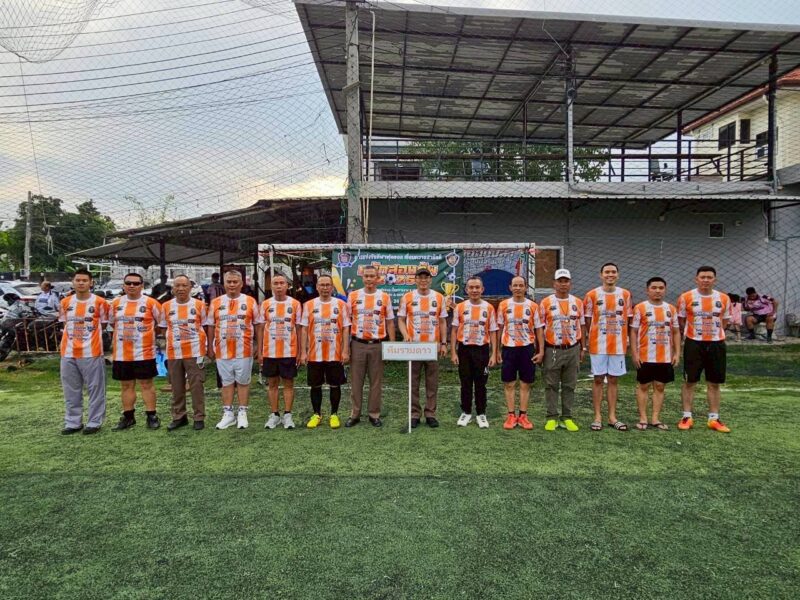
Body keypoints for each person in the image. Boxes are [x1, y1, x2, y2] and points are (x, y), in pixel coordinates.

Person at [677, 266, 731, 433]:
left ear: (715, 280)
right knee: (690, 381)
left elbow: (724, 321)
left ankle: (713, 418)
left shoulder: (724, 298)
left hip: (716, 343)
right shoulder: (686, 297)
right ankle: (687, 416)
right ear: (696, 279)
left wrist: (714, 333)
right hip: (694, 343)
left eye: (709, 277)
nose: (706, 280)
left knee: (714, 382)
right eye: (703, 277)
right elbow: (681, 320)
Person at [206, 270, 263, 430]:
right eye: (229, 282)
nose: (232, 285)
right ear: (224, 284)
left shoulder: (250, 301)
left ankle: (242, 413)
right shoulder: (216, 302)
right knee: (227, 382)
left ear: (241, 283)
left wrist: (259, 347)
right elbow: (210, 326)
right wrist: (209, 346)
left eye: (235, 282)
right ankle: (228, 414)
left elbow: (258, 325)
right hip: (222, 350)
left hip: (244, 350)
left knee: (243, 382)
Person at [108, 272, 164, 430]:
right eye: (128, 283)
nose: (132, 286)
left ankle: (151, 416)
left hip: (144, 352)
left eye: (136, 283)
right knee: (126, 385)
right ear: (123, 285)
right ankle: (128, 417)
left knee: (146, 384)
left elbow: (161, 323)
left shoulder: (151, 303)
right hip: (122, 353)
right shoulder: (115, 303)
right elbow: (112, 323)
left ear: (142, 286)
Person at [58, 269, 110, 435]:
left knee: (96, 389)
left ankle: (94, 422)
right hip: (68, 352)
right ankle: (73, 422)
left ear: (91, 283)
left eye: (84, 280)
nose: (81, 283)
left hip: (91, 352)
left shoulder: (100, 302)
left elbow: (103, 325)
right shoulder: (65, 302)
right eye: (78, 280)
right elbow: (64, 324)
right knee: (71, 389)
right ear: (73, 282)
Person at [583, 262, 633, 432]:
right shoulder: (591, 295)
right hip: (598, 344)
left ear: (617, 275)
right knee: (598, 379)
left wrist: (626, 338)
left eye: (613, 272)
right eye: (607, 272)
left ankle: (612, 417)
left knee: (613, 380)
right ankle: (597, 417)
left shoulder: (625, 294)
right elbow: (588, 319)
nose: (610, 275)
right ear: (601, 275)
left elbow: (628, 318)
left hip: (618, 344)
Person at [397, 267, 448, 428]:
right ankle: (414, 414)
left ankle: (430, 414)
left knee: (432, 383)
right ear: (416, 280)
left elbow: (442, 322)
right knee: (413, 382)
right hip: (414, 347)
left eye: (426, 277)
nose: (423, 280)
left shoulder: (439, 297)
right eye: (420, 277)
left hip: (433, 347)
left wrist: (444, 343)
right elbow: (401, 320)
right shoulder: (407, 297)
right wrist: (405, 335)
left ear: (430, 280)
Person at [346, 264, 396, 428]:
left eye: (372, 276)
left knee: (376, 382)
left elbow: (390, 322)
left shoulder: (384, 297)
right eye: (366, 276)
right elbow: (347, 322)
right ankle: (355, 414)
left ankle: (374, 414)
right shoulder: (353, 295)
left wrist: (391, 345)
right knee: (356, 381)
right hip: (358, 344)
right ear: (362, 277)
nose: (369, 279)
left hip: (377, 344)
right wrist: (346, 347)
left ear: (377, 278)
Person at [299, 274, 351, 429]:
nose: (325, 288)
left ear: (332, 287)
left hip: (335, 353)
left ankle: (334, 414)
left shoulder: (341, 305)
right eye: (322, 285)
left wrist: (345, 350)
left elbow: (346, 328)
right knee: (315, 385)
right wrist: (303, 352)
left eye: (328, 285)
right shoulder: (309, 305)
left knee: (335, 385)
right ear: (317, 287)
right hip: (315, 353)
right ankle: (317, 414)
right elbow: (304, 329)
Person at [630, 277, 681, 431]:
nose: (657, 290)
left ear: (665, 290)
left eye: (661, 288)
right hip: (645, 355)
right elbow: (633, 331)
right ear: (647, 290)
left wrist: (677, 353)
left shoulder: (671, 309)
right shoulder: (640, 308)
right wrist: (634, 353)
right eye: (654, 288)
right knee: (643, 386)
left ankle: (655, 418)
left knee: (660, 386)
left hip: (665, 356)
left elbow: (676, 332)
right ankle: (643, 418)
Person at [159, 275, 208, 431]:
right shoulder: (166, 306)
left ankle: (199, 417)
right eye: (177, 286)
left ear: (190, 288)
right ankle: (179, 417)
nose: (181, 289)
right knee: (176, 386)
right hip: (174, 352)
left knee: (196, 385)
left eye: (184, 285)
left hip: (195, 351)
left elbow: (206, 326)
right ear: (173, 289)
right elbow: (162, 328)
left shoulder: (200, 305)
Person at [538, 269, 584, 432]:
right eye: (560, 281)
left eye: (566, 281)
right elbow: (540, 328)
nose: (563, 284)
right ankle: (552, 417)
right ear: (554, 283)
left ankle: (567, 417)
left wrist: (583, 347)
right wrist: (541, 350)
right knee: (551, 384)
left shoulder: (578, 302)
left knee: (569, 385)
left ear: (570, 284)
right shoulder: (545, 303)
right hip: (553, 349)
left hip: (573, 348)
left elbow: (582, 326)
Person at [496, 276, 544, 430]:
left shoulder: (533, 306)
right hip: (509, 349)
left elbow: (539, 329)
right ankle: (511, 415)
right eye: (515, 285)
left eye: (521, 285)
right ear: (510, 287)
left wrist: (541, 351)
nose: (517, 288)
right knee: (509, 383)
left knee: (525, 383)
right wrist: (496, 350)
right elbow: (499, 328)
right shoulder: (503, 305)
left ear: (525, 287)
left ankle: (523, 416)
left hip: (527, 348)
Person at [451, 276, 498, 428]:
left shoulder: (489, 308)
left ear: (482, 289)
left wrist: (493, 353)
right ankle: (466, 412)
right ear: (466, 290)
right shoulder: (460, 307)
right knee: (465, 382)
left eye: (477, 287)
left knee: (481, 383)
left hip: (482, 350)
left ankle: (481, 413)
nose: (474, 290)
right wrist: (453, 352)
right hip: (464, 350)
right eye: (471, 287)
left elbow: (493, 331)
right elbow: (454, 330)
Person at [257, 273, 302, 430]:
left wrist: (300, 351)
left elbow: (299, 328)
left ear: (287, 285)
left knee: (288, 383)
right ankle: (275, 414)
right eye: (275, 283)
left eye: (282, 283)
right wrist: (260, 351)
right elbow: (261, 328)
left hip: (289, 351)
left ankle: (287, 415)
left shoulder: (295, 304)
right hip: (270, 352)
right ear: (271, 286)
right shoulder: (265, 304)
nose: (279, 286)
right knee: (272, 384)